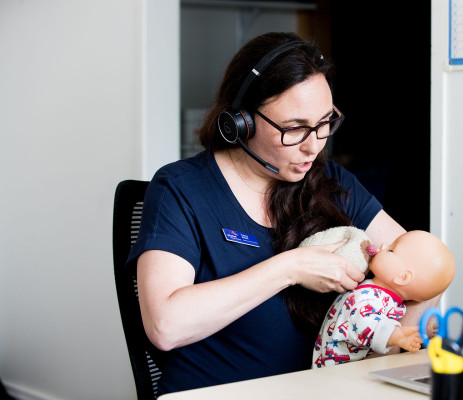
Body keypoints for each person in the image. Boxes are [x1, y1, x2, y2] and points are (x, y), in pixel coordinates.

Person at [127, 31, 441, 395]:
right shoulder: (180, 189)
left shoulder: (334, 183)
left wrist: (380, 356)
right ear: (241, 121)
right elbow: (165, 326)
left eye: (325, 123)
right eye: (295, 129)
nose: (314, 145)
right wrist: (290, 267)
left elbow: (427, 276)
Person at [309, 229, 456, 367]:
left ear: (402, 277)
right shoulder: (366, 297)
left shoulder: (378, 297)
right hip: (335, 373)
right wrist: (394, 335)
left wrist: (419, 332)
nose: (383, 245)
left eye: (391, 250)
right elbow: (364, 321)